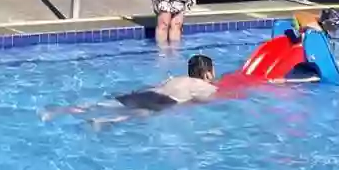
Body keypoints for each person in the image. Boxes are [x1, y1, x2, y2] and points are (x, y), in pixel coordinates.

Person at [42, 55, 217, 125]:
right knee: (142, 114)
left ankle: (58, 110)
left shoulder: (177, 78)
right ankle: (102, 121)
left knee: (102, 104)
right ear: (208, 73)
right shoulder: (204, 86)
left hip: (147, 94)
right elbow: (204, 101)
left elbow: (154, 87)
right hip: (165, 101)